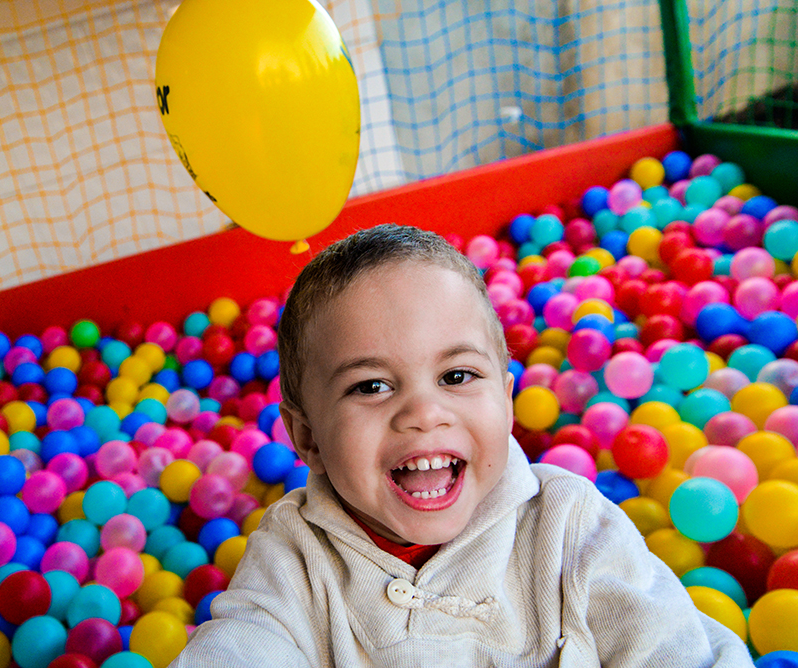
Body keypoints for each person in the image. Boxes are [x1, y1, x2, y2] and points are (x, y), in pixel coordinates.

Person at [171, 224, 753, 667]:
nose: (424, 413)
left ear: (506, 401)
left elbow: (676, 649)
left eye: (456, 376)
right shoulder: (294, 559)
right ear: (307, 438)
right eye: (370, 386)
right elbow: (241, 644)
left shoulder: (568, 527)